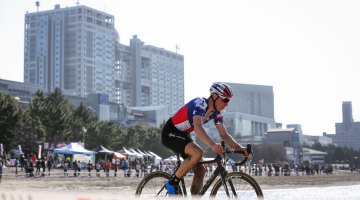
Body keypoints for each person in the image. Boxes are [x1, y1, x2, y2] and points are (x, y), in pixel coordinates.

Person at [161, 82, 249, 195]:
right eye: (225, 100)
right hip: (170, 132)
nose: (226, 104)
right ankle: (172, 183)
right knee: (197, 152)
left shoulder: (217, 113)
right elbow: (197, 127)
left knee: (201, 171)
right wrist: (212, 145)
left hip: (183, 135)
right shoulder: (200, 103)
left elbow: (224, 135)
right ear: (214, 96)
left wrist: (240, 148)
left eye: (228, 101)